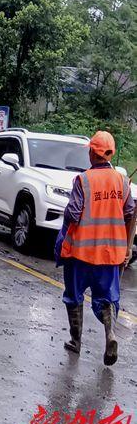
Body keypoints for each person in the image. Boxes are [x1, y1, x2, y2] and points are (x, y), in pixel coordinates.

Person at [55, 131, 134, 366]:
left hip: (81, 253)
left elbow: (73, 213)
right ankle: (110, 335)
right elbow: (129, 213)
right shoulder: (122, 181)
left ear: (92, 152)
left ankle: (75, 341)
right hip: (110, 255)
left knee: (74, 296)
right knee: (107, 298)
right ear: (111, 153)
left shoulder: (84, 180)